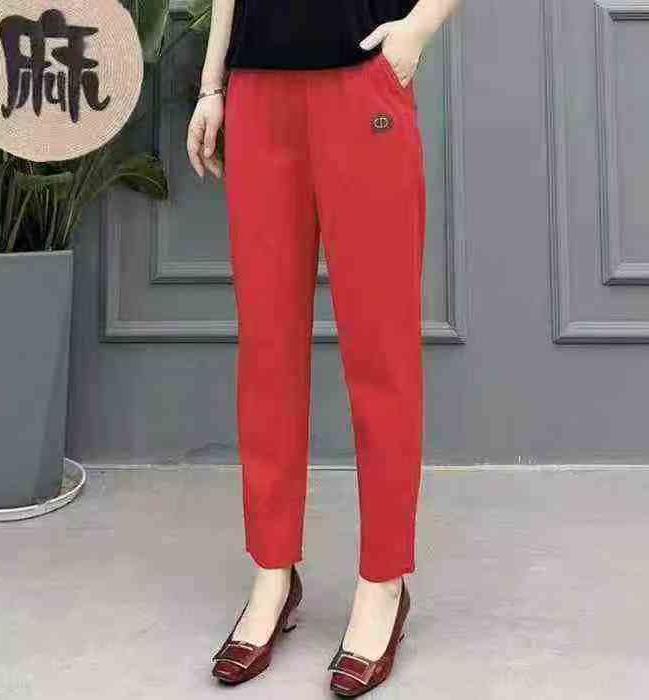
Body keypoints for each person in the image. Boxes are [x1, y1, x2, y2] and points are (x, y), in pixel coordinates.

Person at [186, 0, 460, 695]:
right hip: (257, 92)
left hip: (361, 83)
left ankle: (383, 583)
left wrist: (417, 31)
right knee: (267, 353)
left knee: (382, 351)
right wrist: (213, 85)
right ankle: (272, 573)